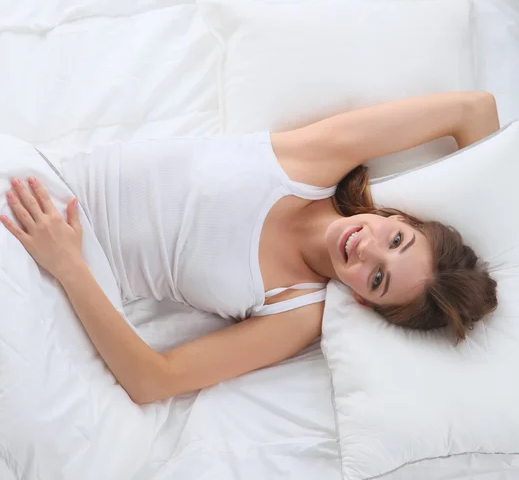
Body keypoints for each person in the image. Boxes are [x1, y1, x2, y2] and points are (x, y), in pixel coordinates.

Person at [1, 91, 499, 404]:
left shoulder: (296, 312)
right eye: (396, 240)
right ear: (398, 216)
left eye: (378, 277)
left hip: (62, 281)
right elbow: (473, 110)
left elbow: (154, 381)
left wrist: (68, 266)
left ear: (364, 301)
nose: (366, 250)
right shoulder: (315, 160)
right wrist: (499, 233)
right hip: (41, 184)